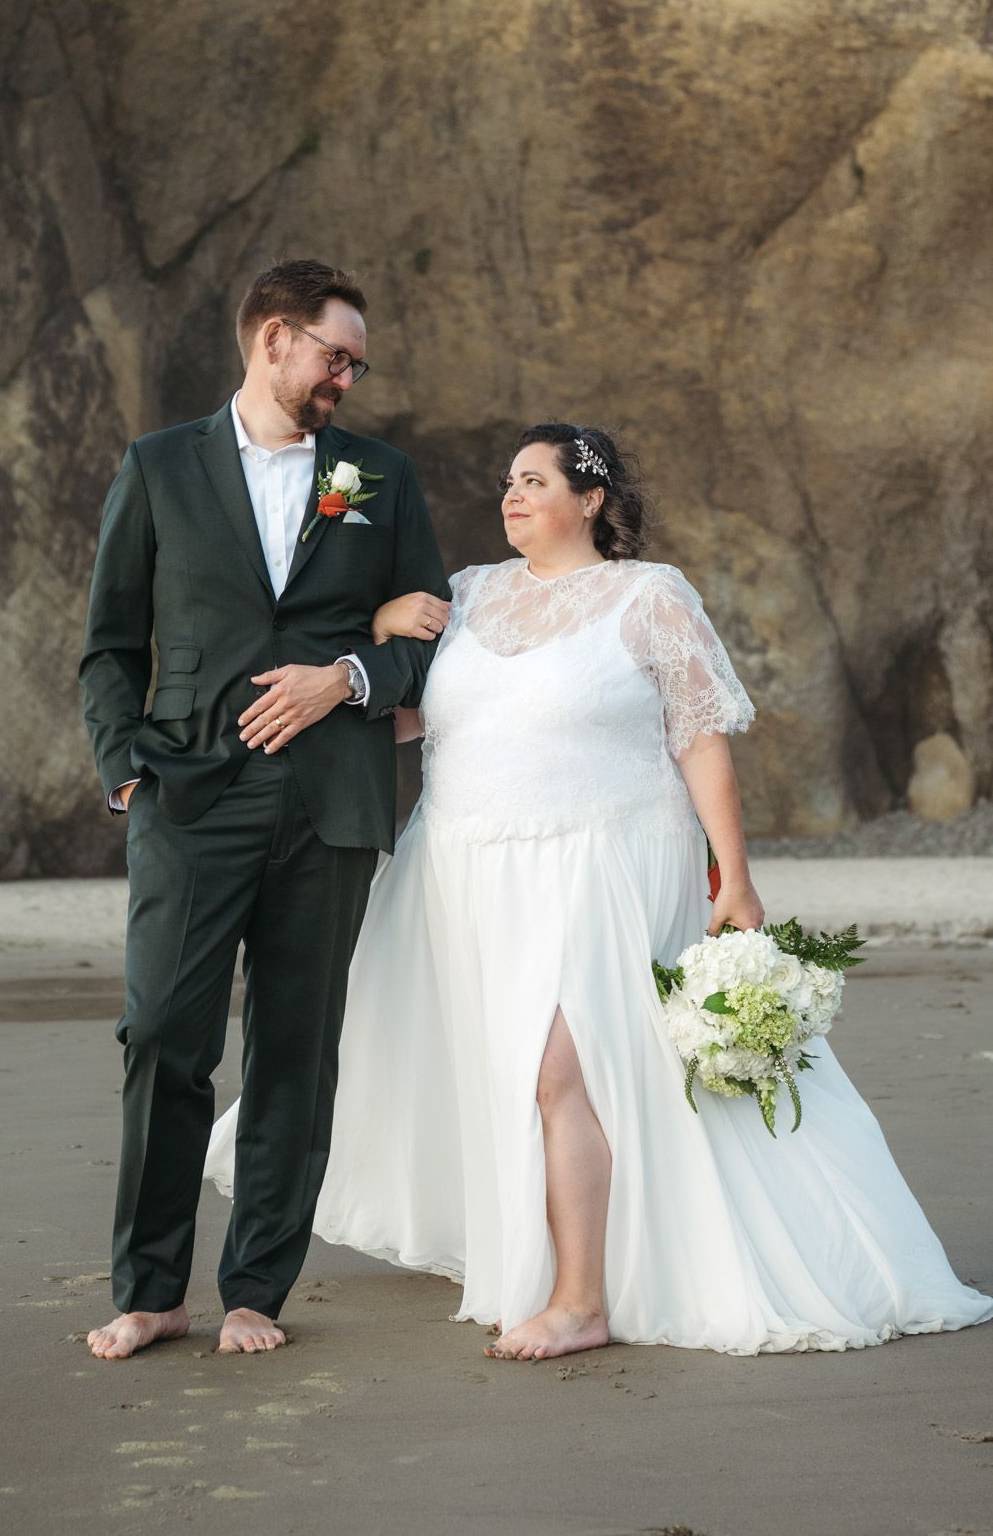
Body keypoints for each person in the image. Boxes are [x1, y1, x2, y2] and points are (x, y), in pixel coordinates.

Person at [207, 421, 993, 1360]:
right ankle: (548, 1265)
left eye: (535, 480)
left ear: (590, 501)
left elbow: (698, 735)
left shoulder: (647, 597)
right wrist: (373, 637)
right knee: (510, 1080)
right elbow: (416, 717)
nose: (512, 493)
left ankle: (580, 1301)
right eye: (507, 479)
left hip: (605, 861)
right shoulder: (464, 598)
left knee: (554, 1073)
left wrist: (733, 873)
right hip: (463, 870)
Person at [79, 259, 448, 1359]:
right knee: (161, 1031)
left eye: (356, 364)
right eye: (337, 356)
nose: (348, 378)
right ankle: (150, 1288)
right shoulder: (157, 467)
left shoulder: (377, 475)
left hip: (329, 801)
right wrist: (126, 769)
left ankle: (255, 1289)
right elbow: (109, 643)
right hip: (187, 796)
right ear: (274, 338)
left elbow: (428, 642)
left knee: (296, 1046)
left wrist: (344, 675)